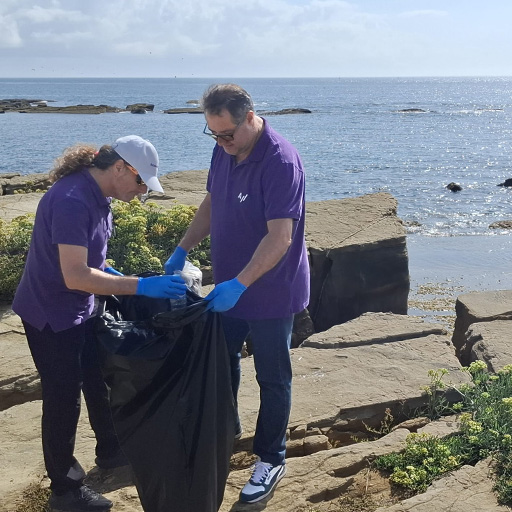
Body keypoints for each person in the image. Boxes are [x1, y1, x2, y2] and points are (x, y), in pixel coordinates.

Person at [12, 135, 187, 512]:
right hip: (51, 314)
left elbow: (93, 260)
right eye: (141, 183)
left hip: (81, 306)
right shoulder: (72, 200)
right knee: (63, 399)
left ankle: (111, 450)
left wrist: (119, 278)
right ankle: (65, 489)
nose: (141, 193)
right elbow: (75, 275)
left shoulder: (98, 196)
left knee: (98, 379)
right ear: (120, 168)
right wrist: (141, 286)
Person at [164, 84, 310, 504]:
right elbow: (212, 201)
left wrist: (240, 284)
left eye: (228, 133)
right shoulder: (224, 149)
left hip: (270, 291)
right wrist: (183, 247)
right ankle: (223, 432)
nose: (223, 143)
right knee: (220, 360)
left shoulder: (281, 161)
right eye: (214, 135)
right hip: (228, 286)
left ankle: (271, 457)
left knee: (273, 375)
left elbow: (280, 238)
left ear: (250, 117)